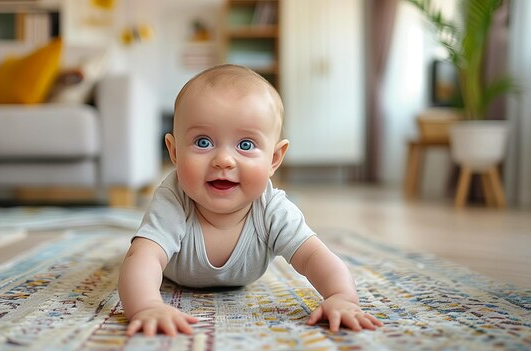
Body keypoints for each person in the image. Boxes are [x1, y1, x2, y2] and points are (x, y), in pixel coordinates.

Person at [118, 64, 383, 336]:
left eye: (245, 145)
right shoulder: (174, 198)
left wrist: (341, 296)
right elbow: (142, 257)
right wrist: (146, 305)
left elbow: (315, 255)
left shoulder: (271, 208)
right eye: (203, 142)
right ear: (174, 152)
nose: (223, 160)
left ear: (274, 159)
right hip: (174, 275)